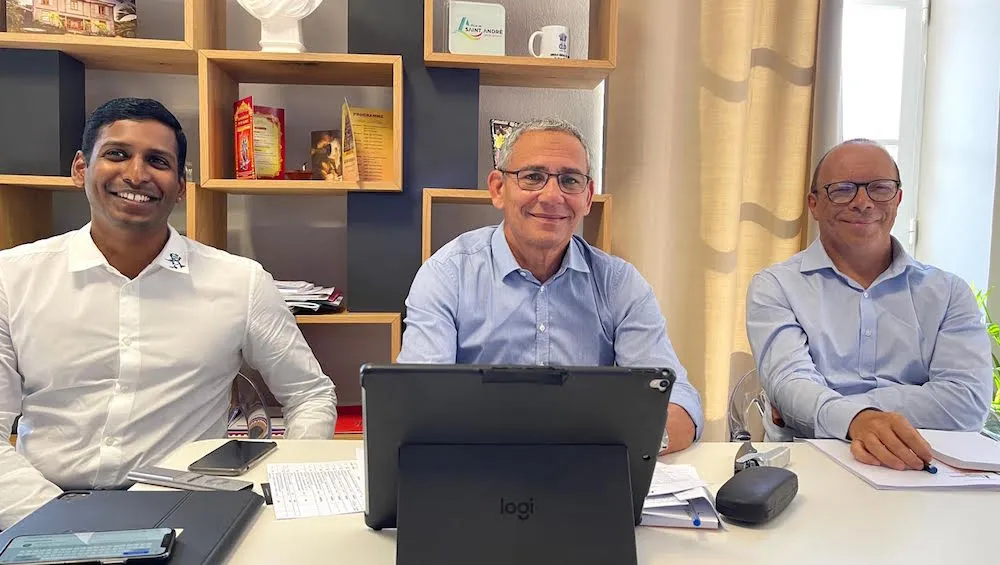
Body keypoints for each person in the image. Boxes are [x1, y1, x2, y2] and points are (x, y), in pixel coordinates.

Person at [0, 98, 337, 528]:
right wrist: (60, 524)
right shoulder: (12, 278)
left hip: (186, 509)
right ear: (81, 169)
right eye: (117, 154)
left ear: (180, 187)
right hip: (41, 507)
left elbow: (309, 394)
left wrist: (287, 486)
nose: (136, 174)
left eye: (157, 161)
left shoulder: (240, 282)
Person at [397, 118, 704, 452]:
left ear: (587, 197)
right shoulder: (447, 276)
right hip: (478, 466)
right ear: (498, 188)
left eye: (570, 180)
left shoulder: (619, 284)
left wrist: (632, 442)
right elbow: (418, 404)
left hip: (585, 468)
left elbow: (680, 404)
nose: (552, 196)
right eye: (533, 177)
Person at [746, 138, 992, 471]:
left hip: (926, 465)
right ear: (814, 204)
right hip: (809, 465)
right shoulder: (776, 286)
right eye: (843, 190)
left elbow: (967, 402)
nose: (863, 203)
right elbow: (790, 383)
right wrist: (838, 413)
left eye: (880, 188)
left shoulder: (949, 293)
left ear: (898, 198)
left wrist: (846, 412)